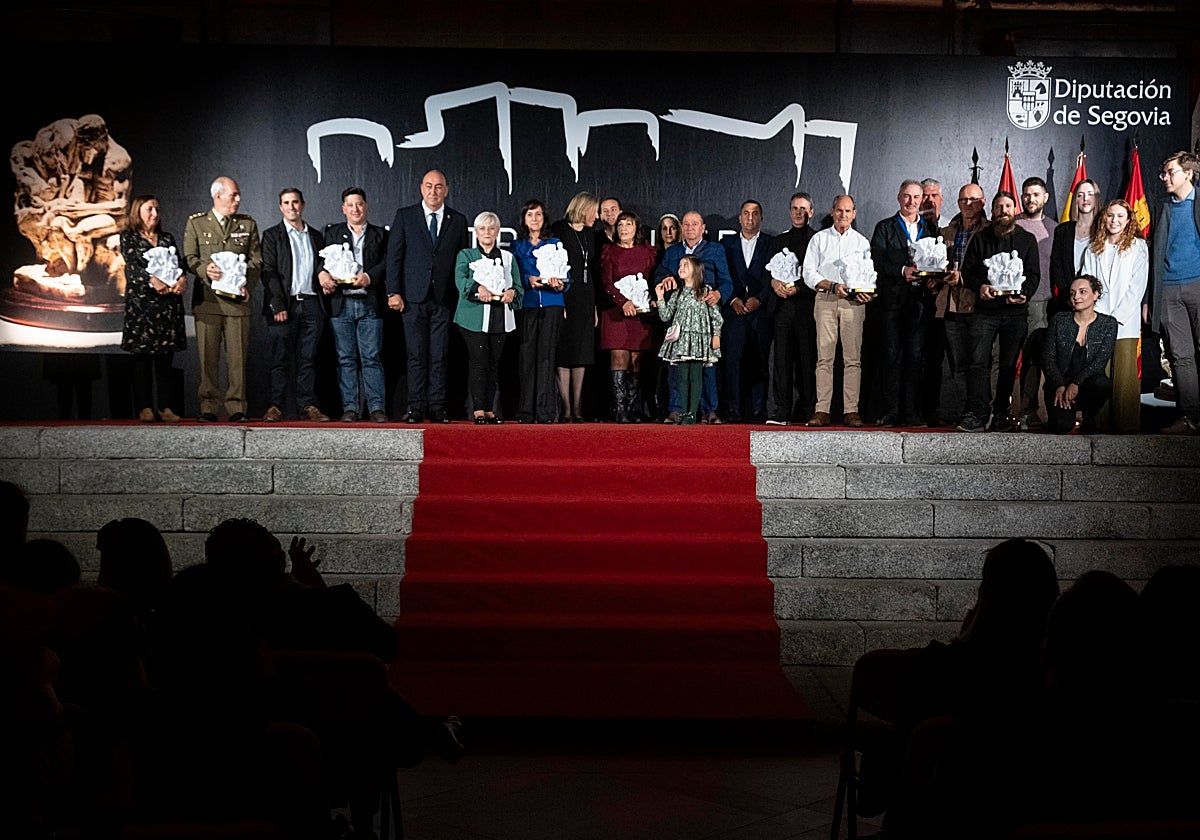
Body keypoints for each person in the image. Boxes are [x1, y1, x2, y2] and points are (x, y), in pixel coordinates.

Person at [386, 169, 470, 424]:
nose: (433, 191)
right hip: (412, 298)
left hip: (444, 299)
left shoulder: (458, 220)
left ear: (446, 190)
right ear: (421, 188)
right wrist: (393, 291)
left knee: (439, 356)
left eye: (439, 186)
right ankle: (415, 407)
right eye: (429, 186)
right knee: (416, 355)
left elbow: (462, 262)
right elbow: (394, 256)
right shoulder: (405, 216)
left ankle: (437, 407)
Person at [958, 191, 1039, 432]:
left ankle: (1001, 414)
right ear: (992, 211)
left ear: (1015, 210)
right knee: (978, 362)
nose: (1003, 210)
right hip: (985, 312)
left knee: (1008, 365)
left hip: (1015, 313)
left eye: (1007, 206)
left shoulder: (1027, 240)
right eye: (999, 207)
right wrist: (980, 287)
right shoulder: (980, 238)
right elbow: (967, 272)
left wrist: (1025, 293)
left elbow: (1034, 274)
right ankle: (977, 413)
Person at [184, 176, 262, 422]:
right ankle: (208, 406)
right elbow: (189, 257)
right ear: (218, 196)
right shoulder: (197, 223)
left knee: (237, 359)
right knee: (208, 358)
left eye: (238, 195)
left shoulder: (247, 224)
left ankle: (237, 407)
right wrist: (204, 269)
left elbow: (256, 259)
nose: (238, 199)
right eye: (233, 195)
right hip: (207, 301)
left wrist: (247, 284)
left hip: (237, 303)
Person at [802, 194, 875, 427]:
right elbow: (808, 273)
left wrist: (868, 292)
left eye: (848, 211)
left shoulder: (862, 242)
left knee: (853, 359)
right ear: (833, 212)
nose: (843, 215)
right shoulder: (819, 239)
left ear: (854, 214)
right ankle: (822, 410)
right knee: (824, 358)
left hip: (853, 304)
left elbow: (869, 274)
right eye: (840, 210)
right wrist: (832, 285)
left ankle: (851, 411)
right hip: (825, 299)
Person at [654, 211, 733, 424]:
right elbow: (659, 273)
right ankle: (676, 409)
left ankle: (709, 411)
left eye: (694, 224)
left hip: (704, 324)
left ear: (703, 228)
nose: (690, 228)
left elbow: (727, 282)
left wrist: (719, 295)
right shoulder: (673, 251)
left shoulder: (715, 250)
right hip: (680, 324)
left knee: (706, 370)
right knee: (676, 370)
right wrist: (666, 278)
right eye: (686, 224)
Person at [870, 180, 938, 426]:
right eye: (907, 196)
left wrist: (934, 278)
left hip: (919, 303)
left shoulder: (931, 229)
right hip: (892, 302)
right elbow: (877, 261)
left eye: (916, 197)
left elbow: (938, 260)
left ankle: (911, 414)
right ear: (899, 197)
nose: (912, 201)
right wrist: (902, 270)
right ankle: (890, 412)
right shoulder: (885, 227)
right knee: (891, 357)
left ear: (922, 200)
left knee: (915, 358)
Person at [320, 187, 390, 423]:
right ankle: (350, 408)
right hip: (341, 304)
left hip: (370, 303)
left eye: (359, 204)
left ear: (366, 206)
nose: (355, 209)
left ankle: (376, 408)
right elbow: (321, 261)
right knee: (345, 358)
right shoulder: (332, 233)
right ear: (343, 209)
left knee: (372, 357)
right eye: (350, 205)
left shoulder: (380, 234)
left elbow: (388, 262)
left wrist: (370, 276)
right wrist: (322, 274)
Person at [1078, 199, 1148, 434]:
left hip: (1124, 321)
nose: (1114, 220)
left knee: (1124, 375)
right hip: (1098, 320)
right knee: (1101, 371)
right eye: (1110, 215)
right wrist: (1096, 316)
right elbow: (1087, 284)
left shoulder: (1138, 247)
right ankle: (1100, 423)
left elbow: (1137, 287)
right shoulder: (1093, 248)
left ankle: (1126, 426)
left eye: (1120, 216)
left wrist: (1116, 317)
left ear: (1128, 220)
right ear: (1104, 219)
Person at [260, 188, 329, 422]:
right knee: (280, 359)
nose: (292, 207)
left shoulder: (316, 236)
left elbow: (323, 266)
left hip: (311, 304)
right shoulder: (272, 235)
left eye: (295, 202)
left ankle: (307, 405)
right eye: (286, 202)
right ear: (280, 207)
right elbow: (268, 271)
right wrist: (277, 305)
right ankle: (275, 406)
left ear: (303, 205)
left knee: (308, 359)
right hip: (284, 306)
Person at [119, 194, 186, 423]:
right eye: (149, 209)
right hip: (142, 308)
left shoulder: (167, 238)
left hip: (167, 307)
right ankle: (145, 407)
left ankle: (165, 407)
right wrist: (151, 280)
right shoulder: (129, 237)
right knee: (142, 359)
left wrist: (181, 279)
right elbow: (132, 268)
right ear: (138, 211)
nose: (155, 214)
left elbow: (178, 264)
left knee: (165, 359)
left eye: (157, 209)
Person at [1147, 151, 1200, 435]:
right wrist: (1150, 298)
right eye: (1164, 173)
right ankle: (1191, 418)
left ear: (1188, 173)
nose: (1164, 177)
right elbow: (1152, 255)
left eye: (1170, 172)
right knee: (1181, 356)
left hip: (1197, 285)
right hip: (1168, 290)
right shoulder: (1162, 207)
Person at [453, 211, 522, 424]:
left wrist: (512, 293)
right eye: (482, 228)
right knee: (479, 362)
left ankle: (490, 409)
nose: (487, 232)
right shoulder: (466, 255)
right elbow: (460, 280)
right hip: (473, 318)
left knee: (493, 363)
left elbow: (517, 286)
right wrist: (477, 287)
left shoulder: (508, 258)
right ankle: (478, 410)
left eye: (491, 228)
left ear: (497, 232)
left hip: (501, 317)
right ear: (476, 232)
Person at [511, 199, 569, 424]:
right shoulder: (517, 246)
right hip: (528, 305)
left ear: (544, 218)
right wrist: (528, 280)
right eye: (530, 215)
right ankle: (526, 411)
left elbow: (567, 277)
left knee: (547, 357)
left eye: (538, 214)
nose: (534, 219)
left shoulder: (555, 244)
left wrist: (560, 284)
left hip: (553, 303)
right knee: (527, 357)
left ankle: (545, 412)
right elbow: (512, 276)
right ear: (524, 219)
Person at [935, 184, 988, 427]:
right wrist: (934, 277)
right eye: (964, 200)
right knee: (958, 364)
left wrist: (964, 278)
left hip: (978, 307)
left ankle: (980, 411)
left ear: (983, 202)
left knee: (978, 363)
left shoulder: (990, 231)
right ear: (957, 203)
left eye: (973, 199)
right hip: (950, 306)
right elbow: (936, 263)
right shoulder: (947, 231)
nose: (968, 204)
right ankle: (964, 410)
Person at [601, 211, 658, 423]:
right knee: (619, 356)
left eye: (629, 224)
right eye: (621, 224)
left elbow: (652, 280)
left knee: (636, 359)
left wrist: (653, 300)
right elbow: (606, 283)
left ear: (636, 228)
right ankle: (620, 409)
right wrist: (622, 302)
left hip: (641, 313)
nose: (624, 228)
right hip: (616, 312)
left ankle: (633, 409)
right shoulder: (609, 251)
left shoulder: (647, 252)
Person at [720, 200, 774, 423]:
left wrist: (760, 299)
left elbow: (774, 276)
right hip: (734, 311)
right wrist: (732, 298)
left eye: (755, 213)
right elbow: (721, 274)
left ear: (761, 217)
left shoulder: (771, 243)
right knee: (733, 361)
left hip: (761, 312)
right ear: (739, 218)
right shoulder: (726, 244)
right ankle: (733, 409)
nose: (750, 218)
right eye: (746, 213)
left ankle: (760, 410)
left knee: (761, 361)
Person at [1042, 275, 1117, 435]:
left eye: (1082, 292)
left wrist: (1076, 383)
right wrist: (1059, 385)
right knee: (1061, 426)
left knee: (1101, 383)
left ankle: (1089, 417)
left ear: (1095, 295)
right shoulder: (1059, 320)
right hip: (1060, 384)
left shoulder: (1108, 324)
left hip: (1086, 383)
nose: (1076, 297)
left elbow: (1099, 362)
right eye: (1072, 293)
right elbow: (1048, 359)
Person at [767, 193, 818, 425]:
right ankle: (782, 411)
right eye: (795, 208)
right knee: (781, 361)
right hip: (782, 309)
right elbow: (767, 272)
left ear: (811, 212)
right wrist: (774, 283)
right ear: (789, 212)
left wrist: (798, 288)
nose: (799, 213)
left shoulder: (818, 240)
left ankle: (808, 409)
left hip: (807, 308)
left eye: (803, 209)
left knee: (807, 360)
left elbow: (820, 275)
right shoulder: (778, 241)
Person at [549, 192, 600, 423]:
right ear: (583, 209)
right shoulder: (559, 230)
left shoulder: (590, 234)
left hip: (586, 298)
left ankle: (578, 408)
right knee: (564, 352)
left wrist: (594, 306)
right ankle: (566, 408)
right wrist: (560, 301)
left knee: (582, 352)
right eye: (594, 211)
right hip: (565, 296)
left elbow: (593, 271)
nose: (597, 217)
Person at [654, 255, 722, 424]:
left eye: (685, 265)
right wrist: (660, 298)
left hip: (699, 342)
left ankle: (692, 413)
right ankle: (684, 412)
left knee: (696, 377)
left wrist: (716, 335)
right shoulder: (677, 294)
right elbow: (665, 316)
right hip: (682, 343)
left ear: (696, 270)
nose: (681, 268)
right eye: (680, 265)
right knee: (682, 378)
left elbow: (716, 316)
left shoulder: (705, 291)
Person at [1014, 177, 1058, 431]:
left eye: (1036, 194)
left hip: (1040, 303)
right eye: (1027, 194)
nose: (1031, 199)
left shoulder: (1054, 229)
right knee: (1003, 359)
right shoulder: (1011, 224)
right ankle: (998, 411)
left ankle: (1027, 412)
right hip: (1007, 304)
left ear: (1045, 197)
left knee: (1032, 359)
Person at [1049, 179, 1101, 308]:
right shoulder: (1062, 230)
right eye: (1080, 195)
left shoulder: (1103, 230)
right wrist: (1070, 295)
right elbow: (1056, 266)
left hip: (1097, 301)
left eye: (1090, 194)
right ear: (1075, 200)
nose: (1085, 198)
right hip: (1068, 299)